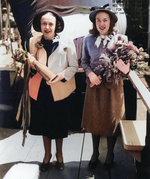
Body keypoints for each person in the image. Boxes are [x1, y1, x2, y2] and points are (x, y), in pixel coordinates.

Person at [28, 9, 78, 172]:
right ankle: (47, 155)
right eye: (44, 23)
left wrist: (62, 75)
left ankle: (60, 155)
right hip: (41, 90)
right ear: (40, 25)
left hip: (60, 89)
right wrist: (30, 65)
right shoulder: (33, 41)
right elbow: (32, 68)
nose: (47, 27)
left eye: (51, 24)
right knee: (44, 124)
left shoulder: (67, 41)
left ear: (57, 25)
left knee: (59, 124)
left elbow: (74, 66)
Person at [81, 6, 130, 170]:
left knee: (111, 122)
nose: (101, 23)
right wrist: (90, 74)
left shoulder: (121, 39)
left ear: (111, 22)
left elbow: (128, 65)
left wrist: (126, 69)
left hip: (114, 88)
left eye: (105, 20)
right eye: (98, 20)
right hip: (94, 87)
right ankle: (95, 153)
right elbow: (84, 61)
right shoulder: (88, 40)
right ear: (95, 23)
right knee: (94, 121)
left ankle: (110, 154)